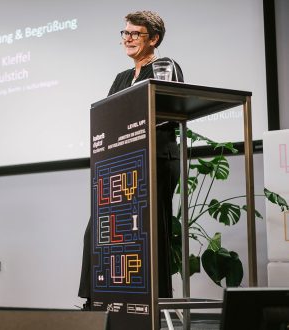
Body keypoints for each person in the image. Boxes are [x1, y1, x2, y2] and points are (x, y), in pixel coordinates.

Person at [78, 11, 184, 310]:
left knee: (151, 231)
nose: (127, 39)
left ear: (154, 38)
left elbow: (163, 110)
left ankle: (156, 302)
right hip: (121, 166)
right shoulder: (122, 78)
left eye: (135, 34)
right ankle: (96, 301)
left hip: (154, 159)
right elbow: (109, 118)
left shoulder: (165, 66)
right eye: (124, 33)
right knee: (98, 231)